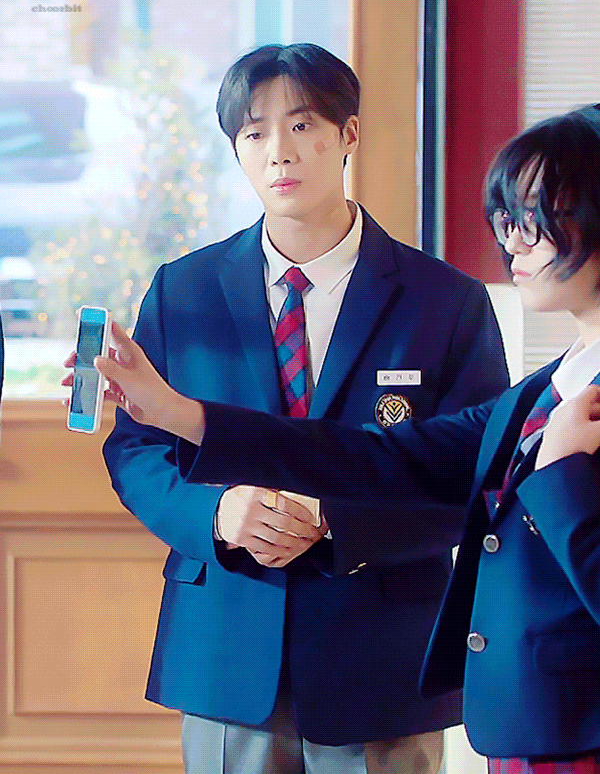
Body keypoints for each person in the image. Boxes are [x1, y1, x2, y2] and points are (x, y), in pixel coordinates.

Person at [92, 103, 600, 774]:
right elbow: (382, 456)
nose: (513, 241)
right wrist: (181, 416)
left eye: (538, 217)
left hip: (478, 689)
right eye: (508, 218)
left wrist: (558, 479)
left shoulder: (447, 299)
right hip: (520, 722)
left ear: (348, 134)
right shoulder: (548, 388)